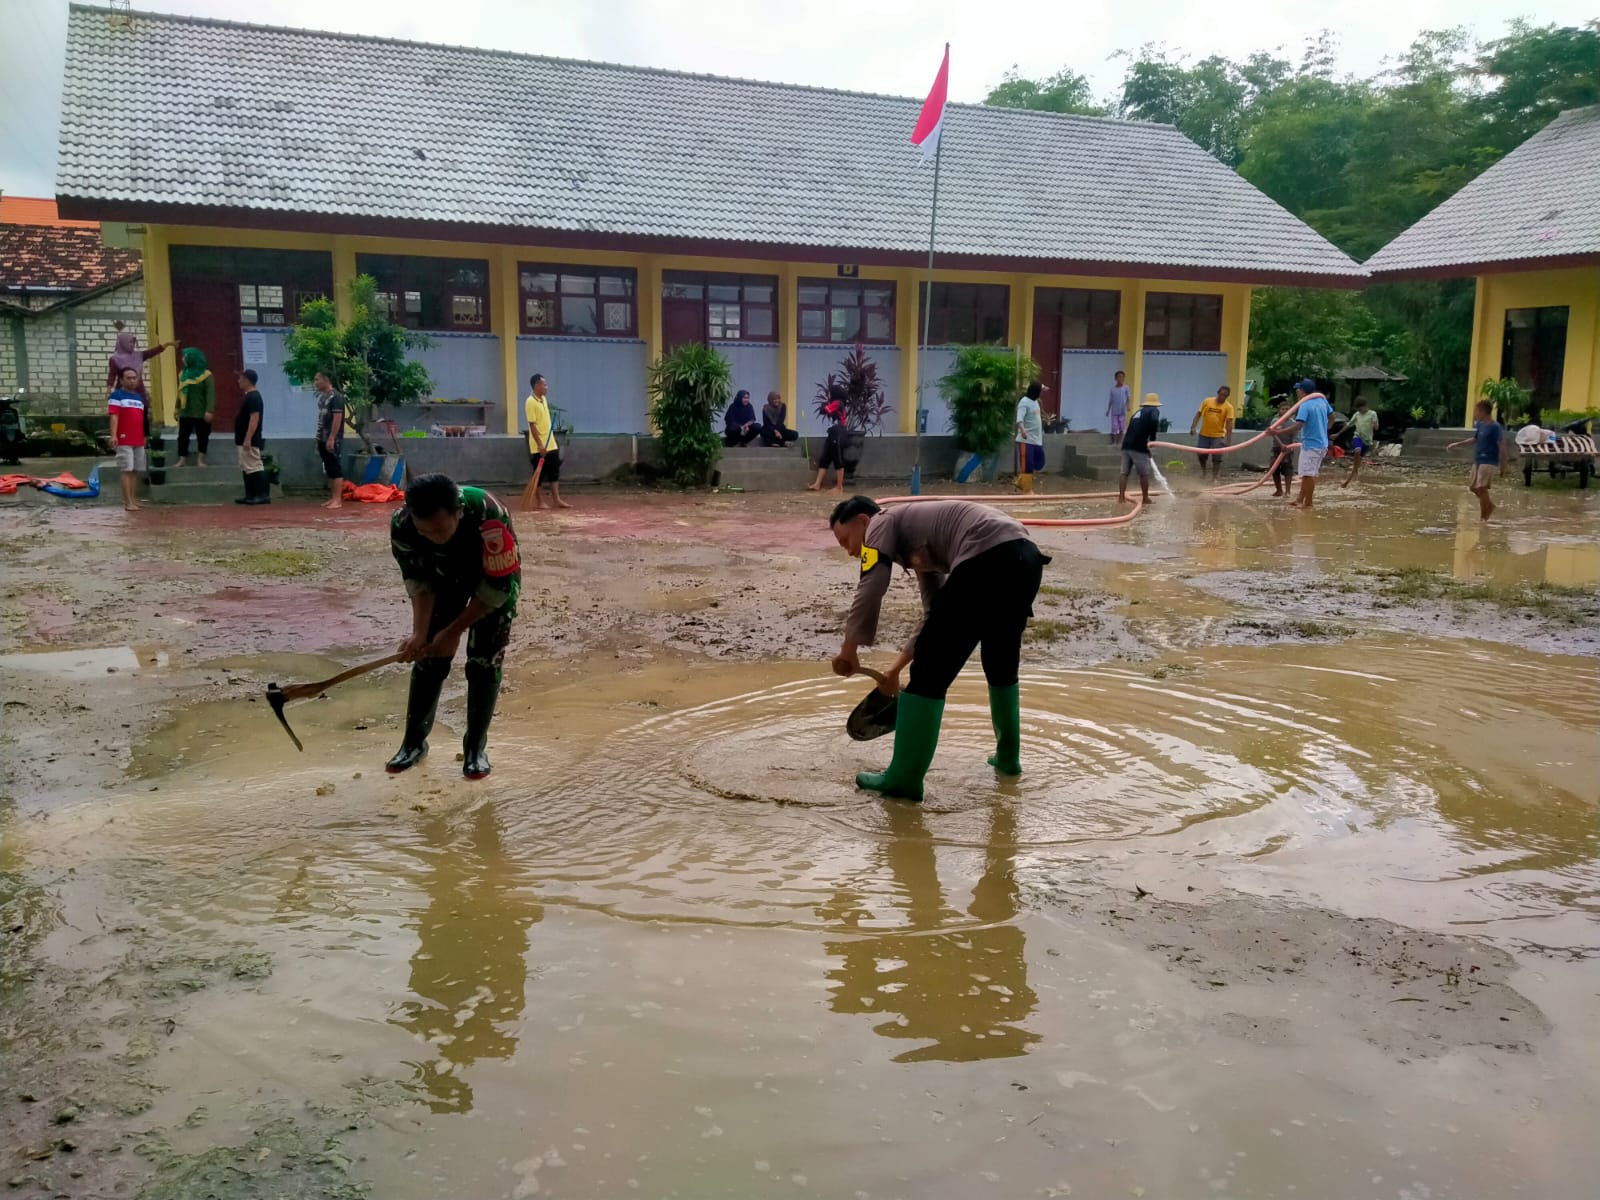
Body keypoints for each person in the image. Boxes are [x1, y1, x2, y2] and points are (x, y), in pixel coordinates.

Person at [829, 496, 1050, 801]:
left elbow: (872, 583)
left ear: (863, 521)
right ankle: (1008, 760)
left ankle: (903, 780)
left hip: (987, 557)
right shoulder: (921, 543)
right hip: (1024, 558)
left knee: (928, 673)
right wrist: (894, 670)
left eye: (845, 540)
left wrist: (849, 647)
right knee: (1000, 661)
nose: (850, 551)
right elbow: (934, 613)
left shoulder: (880, 522)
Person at [387, 474, 521, 780]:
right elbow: (419, 580)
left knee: (484, 661)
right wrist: (420, 634)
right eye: (426, 532)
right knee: (429, 657)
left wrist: (453, 632)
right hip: (442, 578)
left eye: (441, 530)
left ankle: (475, 749)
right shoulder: (402, 524)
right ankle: (413, 744)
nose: (434, 537)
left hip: (492, 579)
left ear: (458, 512)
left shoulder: (489, 512)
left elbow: (498, 588)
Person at [107, 326, 174, 437]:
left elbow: (151, 352)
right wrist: (109, 387)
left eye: (133, 343)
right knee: (125, 414)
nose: (132, 345)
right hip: (123, 391)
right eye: (129, 342)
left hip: (139, 389)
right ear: (122, 343)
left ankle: (144, 440)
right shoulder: (115, 359)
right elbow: (112, 374)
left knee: (143, 413)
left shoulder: (138, 355)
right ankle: (123, 436)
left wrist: (166, 345)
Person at [1446, 400, 1505, 521]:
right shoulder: (1480, 425)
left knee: (1481, 487)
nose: (1475, 414)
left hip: (1489, 461)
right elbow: (1474, 439)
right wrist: (1457, 444)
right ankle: (1489, 506)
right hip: (1478, 460)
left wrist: (1504, 464)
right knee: (1473, 488)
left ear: (1483, 412)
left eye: (1477, 411)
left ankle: (1484, 518)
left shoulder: (1495, 427)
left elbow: (1501, 446)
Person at [521, 372, 569, 511]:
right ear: (537, 385)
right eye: (544, 384)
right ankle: (540, 501)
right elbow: (532, 425)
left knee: (554, 471)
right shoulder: (530, 401)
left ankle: (556, 499)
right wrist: (540, 444)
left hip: (551, 442)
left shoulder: (543, 399)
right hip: (539, 445)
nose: (547, 387)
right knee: (539, 474)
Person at [1286, 379, 1333, 509]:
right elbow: (1332, 417)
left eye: (1298, 389)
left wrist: (1277, 432)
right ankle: (1300, 499)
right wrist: (1324, 430)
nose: (1297, 391)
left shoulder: (1305, 405)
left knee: (1307, 475)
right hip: (1321, 444)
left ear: (1303, 391)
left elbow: (1298, 425)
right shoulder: (1322, 401)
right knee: (1307, 473)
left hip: (1311, 445)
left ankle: (1309, 503)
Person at [107, 365, 147, 512]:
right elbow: (114, 417)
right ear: (122, 380)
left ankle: (133, 498)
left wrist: (145, 436)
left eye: (134, 378)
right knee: (127, 469)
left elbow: (142, 419)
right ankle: (128, 502)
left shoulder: (139, 398)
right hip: (124, 439)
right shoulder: (116, 396)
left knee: (135, 470)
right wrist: (114, 435)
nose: (132, 381)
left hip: (138, 439)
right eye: (128, 378)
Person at [172, 347, 215, 468]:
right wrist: (176, 408)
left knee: (203, 435)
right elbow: (180, 392)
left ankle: (200, 460)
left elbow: (210, 394)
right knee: (182, 436)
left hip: (201, 411)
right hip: (185, 411)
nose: (183, 359)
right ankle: (182, 459)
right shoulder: (183, 374)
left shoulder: (206, 375)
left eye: (185, 357)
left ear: (192, 358)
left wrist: (209, 410)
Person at [1118, 393, 1162, 505]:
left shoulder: (1137, 413)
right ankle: (1145, 498)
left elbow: (1134, 429)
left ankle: (1121, 498)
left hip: (1126, 445)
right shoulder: (1153, 410)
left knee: (1124, 473)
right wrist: (1153, 438)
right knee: (1144, 474)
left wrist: (1146, 449)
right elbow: (1154, 421)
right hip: (1138, 447)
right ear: (1155, 404)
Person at [233, 368, 268, 505]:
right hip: (242, 438)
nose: (239, 381)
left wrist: (248, 438)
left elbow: (254, 419)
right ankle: (250, 494)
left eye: (241, 379)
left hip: (250, 439)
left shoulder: (254, 397)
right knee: (246, 466)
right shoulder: (248, 396)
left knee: (254, 466)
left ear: (247, 380)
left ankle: (262, 494)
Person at [312, 370, 346, 510]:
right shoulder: (323, 397)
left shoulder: (336, 397)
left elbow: (337, 418)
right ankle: (333, 497)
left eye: (317, 379)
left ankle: (338, 500)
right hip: (322, 437)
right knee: (329, 468)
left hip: (332, 438)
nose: (315, 383)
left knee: (335, 467)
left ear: (326, 379)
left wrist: (332, 437)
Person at [1189, 384, 1235, 480]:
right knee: (1201, 454)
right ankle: (1204, 472)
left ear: (1227, 396)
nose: (1222, 397)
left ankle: (1215, 477)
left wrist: (1228, 440)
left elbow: (1229, 424)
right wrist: (1193, 427)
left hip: (1218, 435)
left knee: (1217, 456)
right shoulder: (1207, 401)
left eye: (1225, 396)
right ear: (1218, 393)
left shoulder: (1228, 407)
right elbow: (1198, 414)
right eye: (1221, 394)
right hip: (1204, 434)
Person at [809, 383, 848, 493]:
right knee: (825, 458)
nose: (828, 394)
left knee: (838, 459)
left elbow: (824, 410)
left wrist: (826, 403)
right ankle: (817, 484)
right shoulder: (836, 403)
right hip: (832, 432)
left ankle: (839, 487)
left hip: (838, 432)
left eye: (830, 393)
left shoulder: (838, 403)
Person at [1340, 397, 1380, 488]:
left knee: (1359, 459)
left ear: (1365, 406)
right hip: (1357, 437)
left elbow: (1376, 428)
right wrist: (1338, 434)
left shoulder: (1373, 414)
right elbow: (1349, 425)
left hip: (1367, 441)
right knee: (1357, 451)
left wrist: (1375, 425)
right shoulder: (1357, 414)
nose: (1360, 411)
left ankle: (1355, 472)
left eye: (1360, 409)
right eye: (1358, 410)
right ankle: (1351, 476)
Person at [1014, 380, 1045, 481]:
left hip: (1037, 440)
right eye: (1040, 391)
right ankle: (1025, 487)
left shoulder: (1035, 401)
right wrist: (1023, 431)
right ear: (1035, 391)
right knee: (1027, 466)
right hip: (1026, 440)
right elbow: (1019, 419)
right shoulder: (1024, 402)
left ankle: (1020, 483)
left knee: (1040, 463)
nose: (1041, 393)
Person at [1269, 398, 1296, 497]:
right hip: (1277, 448)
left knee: (1287, 469)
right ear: (1279, 410)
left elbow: (1295, 435)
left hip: (1288, 449)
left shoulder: (1293, 423)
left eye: (1287, 409)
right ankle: (1279, 490)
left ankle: (1287, 491)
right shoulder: (1275, 421)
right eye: (1283, 409)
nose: (1285, 411)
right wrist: (1281, 445)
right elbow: (1274, 434)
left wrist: (1291, 446)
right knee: (1274, 468)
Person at [1107, 370, 1131, 444]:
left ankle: (1119, 442)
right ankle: (1114, 442)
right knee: (1114, 426)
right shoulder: (1113, 389)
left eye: (1122, 377)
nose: (1120, 378)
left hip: (1122, 411)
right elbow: (1111, 400)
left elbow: (1128, 398)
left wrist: (1128, 406)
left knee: (1122, 427)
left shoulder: (1126, 388)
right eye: (1119, 377)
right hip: (1114, 411)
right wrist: (1108, 410)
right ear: (1115, 378)